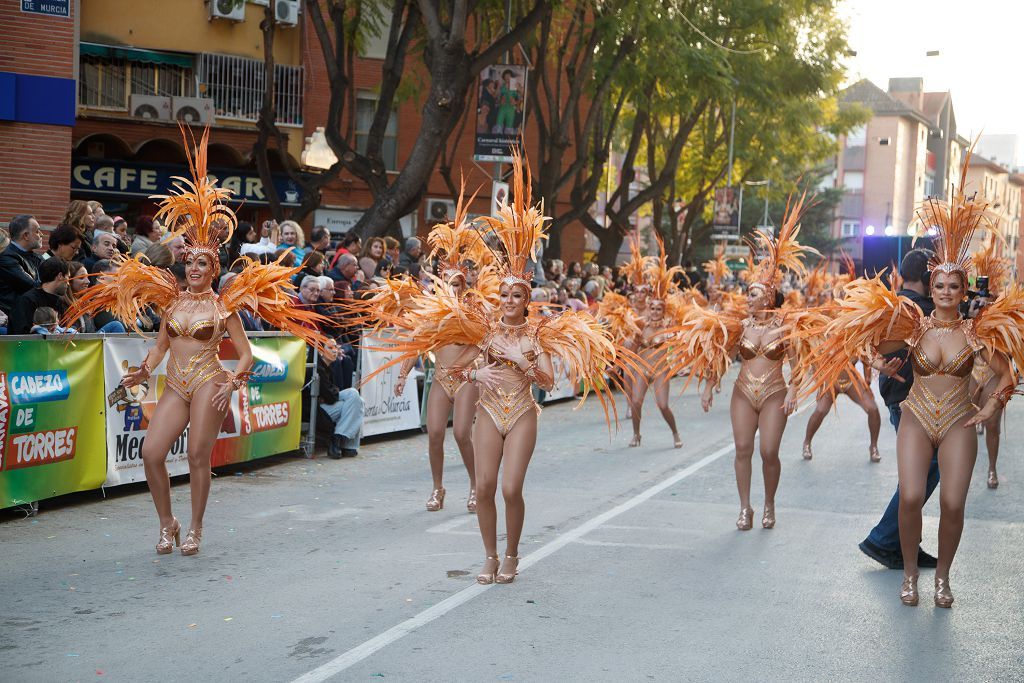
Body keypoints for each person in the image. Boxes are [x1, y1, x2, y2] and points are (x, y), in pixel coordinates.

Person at [64, 127, 327, 557]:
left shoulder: (223, 308)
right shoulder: (173, 304)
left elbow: (245, 354)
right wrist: (143, 371)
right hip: (176, 382)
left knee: (197, 459)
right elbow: (161, 346)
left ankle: (197, 528)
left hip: (208, 380)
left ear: (214, 266)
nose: (195, 269)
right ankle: (167, 521)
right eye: (191, 262)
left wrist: (234, 379)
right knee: (151, 453)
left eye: (203, 264)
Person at [376, 155, 617, 584]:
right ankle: (488, 555)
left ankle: (512, 553)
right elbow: (463, 364)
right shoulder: (483, 329)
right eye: (504, 293)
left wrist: (527, 361)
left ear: (527, 299)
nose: (508, 300)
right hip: (488, 409)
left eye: (516, 295)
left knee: (510, 489)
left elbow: (545, 378)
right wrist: (474, 375)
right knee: (485, 488)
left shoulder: (537, 333)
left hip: (521, 411)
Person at [804, 156, 1021, 608]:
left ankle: (942, 577)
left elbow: (1007, 375)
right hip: (917, 418)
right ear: (931, 285)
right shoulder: (914, 326)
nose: (944, 292)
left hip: (960, 419)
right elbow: (863, 344)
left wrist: (990, 407)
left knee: (954, 505)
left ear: (963, 291)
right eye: (938, 285)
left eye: (953, 287)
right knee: (912, 496)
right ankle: (908, 574)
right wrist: (876, 365)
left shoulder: (976, 334)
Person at [673, 198, 816, 531]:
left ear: (769, 296)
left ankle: (769, 503)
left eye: (752, 294)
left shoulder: (785, 325)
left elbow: (798, 361)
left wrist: (795, 389)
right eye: (747, 293)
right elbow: (720, 357)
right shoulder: (739, 326)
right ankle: (744, 508)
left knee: (768, 451)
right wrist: (709, 386)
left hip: (774, 393)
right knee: (742, 448)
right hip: (742, 393)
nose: (747, 298)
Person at [856, 249, 938, 570]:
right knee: (924, 469)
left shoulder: (890, 307)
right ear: (930, 278)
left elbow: (862, 345)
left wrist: (877, 363)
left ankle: (905, 543)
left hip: (898, 399)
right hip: (913, 402)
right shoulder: (922, 310)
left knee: (918, 469)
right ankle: (887, 539)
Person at [625, 238, 684, 449]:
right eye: (653, 308)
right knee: (636, 402)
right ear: (649, 308)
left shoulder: (669, 327)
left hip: (661, 369)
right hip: (642, 368)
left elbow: (679, 346)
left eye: (659, 309)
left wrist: (672, 341)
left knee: (663, 405)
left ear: (664, 310)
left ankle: (675, 433)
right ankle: (636, 434)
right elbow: (631, 350)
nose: (655, 311)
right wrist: (633, 344)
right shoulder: (641, 325)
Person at [304, 338, 363, 458]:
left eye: (335, 347)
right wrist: (332, 394)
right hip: (317, 412)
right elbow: (331, 396)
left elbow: (332, 394)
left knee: (358, 402)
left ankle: (344, 442)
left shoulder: (330, 366)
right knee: (354, 396)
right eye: (330, 348)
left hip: (326, 407)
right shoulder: (316, 369)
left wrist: (332, 393)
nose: (335, 351)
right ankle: (342, 441)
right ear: (320, 352)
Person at [10, 257, 70, 335]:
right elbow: (21, 334)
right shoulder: (27, 301)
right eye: (68, 277)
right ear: (60, 276)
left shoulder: (60, 302)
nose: (68, 283)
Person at [0, 214, 43, 316]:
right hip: (15, 319)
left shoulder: (37, 257)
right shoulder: (7, 258)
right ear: (26, 235)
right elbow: (31, 285)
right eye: (37, 231)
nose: (41, 234)